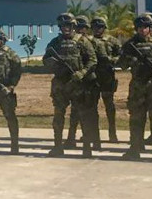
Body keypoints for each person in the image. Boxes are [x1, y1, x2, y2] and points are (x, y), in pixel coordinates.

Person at [118, 14, 152, 161]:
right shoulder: (130, 45)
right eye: (140, 27)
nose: (143, 30)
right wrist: (130, 59)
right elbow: (121, 64)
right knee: (136, 119)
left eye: (146, 27)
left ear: (151, 28)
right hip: (137, 87)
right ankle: (135, 149)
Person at [43, 13, 97, 158]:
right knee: (58, 116)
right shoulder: (55, 43)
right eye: (62, 26)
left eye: (68, 26)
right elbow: (46, 59)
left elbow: (92, 60)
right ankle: (57, 147)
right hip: (60, 84)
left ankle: (86, 148)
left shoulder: (82, 41)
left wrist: (82, 72)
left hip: (78, 84)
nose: (65, 29)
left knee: (83, 116)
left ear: (73, 26)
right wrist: (51, 62)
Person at [65, 16, 101, 150]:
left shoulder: (91, 42)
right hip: (76, 83)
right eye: (79, 28)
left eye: (84, 28)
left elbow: (97, 61)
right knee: (75, 113)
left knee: (91, 113)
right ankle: (71, 138)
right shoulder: (73, 42)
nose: (81, 30)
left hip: (90, 82)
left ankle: (95, 141)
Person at [90, 16, 121, 143]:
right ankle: (92, 133)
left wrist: (111, 60)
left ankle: (112, 133)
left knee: (110, 107)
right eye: (95, 27)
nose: (98, 30)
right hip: (92, 77)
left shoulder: (112, 41)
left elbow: (121, 56)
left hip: (107, 76)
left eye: (100, 27)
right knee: (91, 107)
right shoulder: (87, 41)